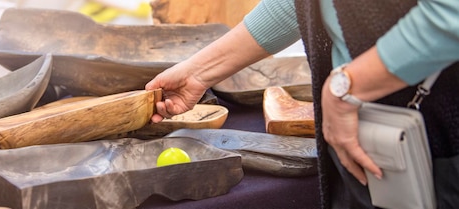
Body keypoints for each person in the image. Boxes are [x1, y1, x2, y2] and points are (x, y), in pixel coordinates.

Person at [145, 0, 459, 208]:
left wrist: (345, 88)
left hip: (439, 146)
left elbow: (450, 14)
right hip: (366, 136)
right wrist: (199, 72)